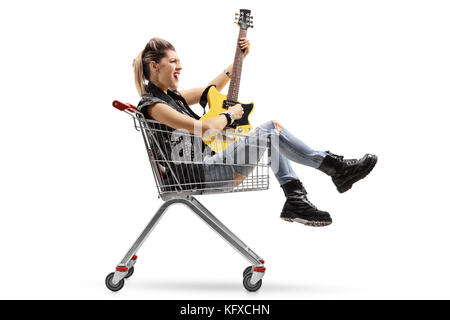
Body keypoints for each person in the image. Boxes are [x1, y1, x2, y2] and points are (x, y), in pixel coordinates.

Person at [132, 37, 377, 227]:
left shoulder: (172, 98)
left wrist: (238, 61)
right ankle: (333, 170)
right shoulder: (154, 106)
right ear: (154, 66)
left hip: (207, 166)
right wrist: (231, 115)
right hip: (201, 173)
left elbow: (210, 91)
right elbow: (204, 130)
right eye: (173, 61)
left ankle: (297, 198)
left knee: (270, 133)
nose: (180, 65)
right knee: (270, 130)